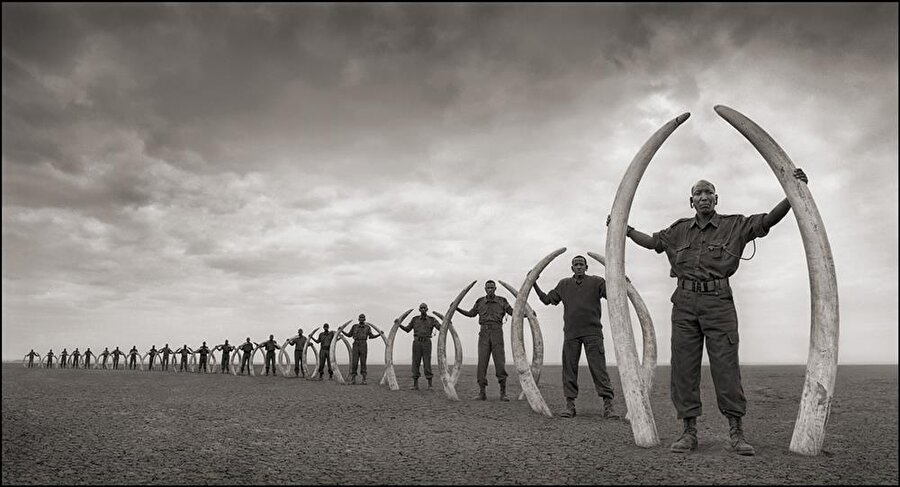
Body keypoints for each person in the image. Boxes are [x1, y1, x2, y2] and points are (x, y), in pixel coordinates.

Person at [614, 168, 808, 456]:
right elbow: (653, 242)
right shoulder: (678, 230)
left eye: (708, 193)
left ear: (716, 198)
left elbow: (767, 221)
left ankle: (736, 432)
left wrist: (794, 194)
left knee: (726, 366)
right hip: (684, 304)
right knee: (683, 368)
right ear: (690, 200)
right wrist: (624, 229)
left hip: (719, 303)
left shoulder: (735, 226)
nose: (704, 197)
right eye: (698, 193)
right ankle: (688, 432)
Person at [533, 255, 618, 419]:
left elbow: (614, 294)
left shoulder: (597, 282)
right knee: (569, 370)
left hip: (593, 333)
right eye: (575, 264)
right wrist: (534, 282)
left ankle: (609, 406)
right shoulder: (564, 284)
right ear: (571, 268)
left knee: (599, 369)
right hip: (571, 334)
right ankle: (570, 406)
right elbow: (547, 300)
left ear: (586, 267)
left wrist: (621, 281)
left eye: (581, 264)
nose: (578, 267)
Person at [456, 280, 514, 401]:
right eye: (488, 288)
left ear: (495, 288)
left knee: (500, 362)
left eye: (492, 287)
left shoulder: (502, 301)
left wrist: (527, 313)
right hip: (483, 334)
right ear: (485, 289)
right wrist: (456, 308)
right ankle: (482, 392)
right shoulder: (480, 301)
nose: (490, 289)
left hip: (497, 332)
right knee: (482, 362)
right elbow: (471, 314)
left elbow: (513, 312)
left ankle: (503, 393)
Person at [398, 303, 442, 390]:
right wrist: (399, 324)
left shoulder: (432, 319)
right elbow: (407, 329)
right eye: (421, 308)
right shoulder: (414, 319)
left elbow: (440, 328)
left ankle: (430, 385)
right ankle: (415, 385)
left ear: (427, 309)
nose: (422, 309)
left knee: (427, 363)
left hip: (427, 343)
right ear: (419, 309)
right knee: (415, 363)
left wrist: (447, 323)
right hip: (417, 343)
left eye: (424, 308)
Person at [342, 314, 383, 385]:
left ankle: (364, 379)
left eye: (363, 318)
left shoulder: (367, 327)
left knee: (363, 362)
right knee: (354, 362)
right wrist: (342, 331)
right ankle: (353, 379)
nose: (361, 319)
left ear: (365, 319)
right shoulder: (354, 327)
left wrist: (379, 334)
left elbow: (371, 336)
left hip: (363, 344)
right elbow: (349, 335)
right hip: (355, 344)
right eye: (360, 318)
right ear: (358, 319)